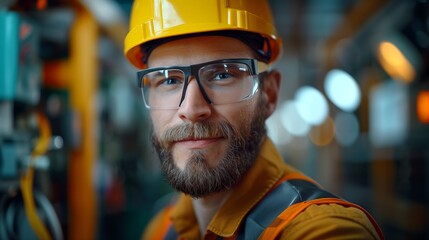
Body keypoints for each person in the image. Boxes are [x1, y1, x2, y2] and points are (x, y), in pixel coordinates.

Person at [124, 0, 384, 239]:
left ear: (269, 94)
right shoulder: (162, 227)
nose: (191, 109)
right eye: (169, 80)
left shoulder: (323, 229)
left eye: (222, 75)